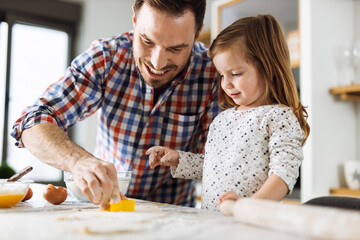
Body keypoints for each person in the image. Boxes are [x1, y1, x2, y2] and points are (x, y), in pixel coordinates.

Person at [11, 0, 220, 209]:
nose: (158, 63)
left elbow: (220, 162)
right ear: (135, 20)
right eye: (147, 41)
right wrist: (78, 161)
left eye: (176, 49)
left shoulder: (215, 74)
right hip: (103, 207)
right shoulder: (107, 56)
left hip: (175, 213)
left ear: (197, 31)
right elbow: (33, 121)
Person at [147, 14, 310, 212]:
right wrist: (179, 159)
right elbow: (215, 166)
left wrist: (249, 206)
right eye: (222, 75)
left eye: (236, 74)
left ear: (269, 68)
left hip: (251, 225)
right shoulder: (222, 118)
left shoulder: (278, 117)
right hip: (213, 222)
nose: (226, 84)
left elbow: (284, 174)